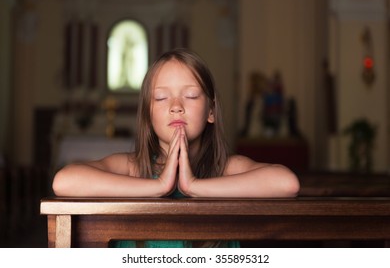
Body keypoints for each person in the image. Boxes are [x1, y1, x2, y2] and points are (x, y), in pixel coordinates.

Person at [52, 48, 300, 247]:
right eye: (161, 98)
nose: (176, 106)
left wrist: (193, 186)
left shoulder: (226, 168)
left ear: (211, 110)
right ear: (148, 114)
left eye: (191, 95)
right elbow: (64, 181)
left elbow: (286, 183)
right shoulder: (132, 167)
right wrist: (159, 186)